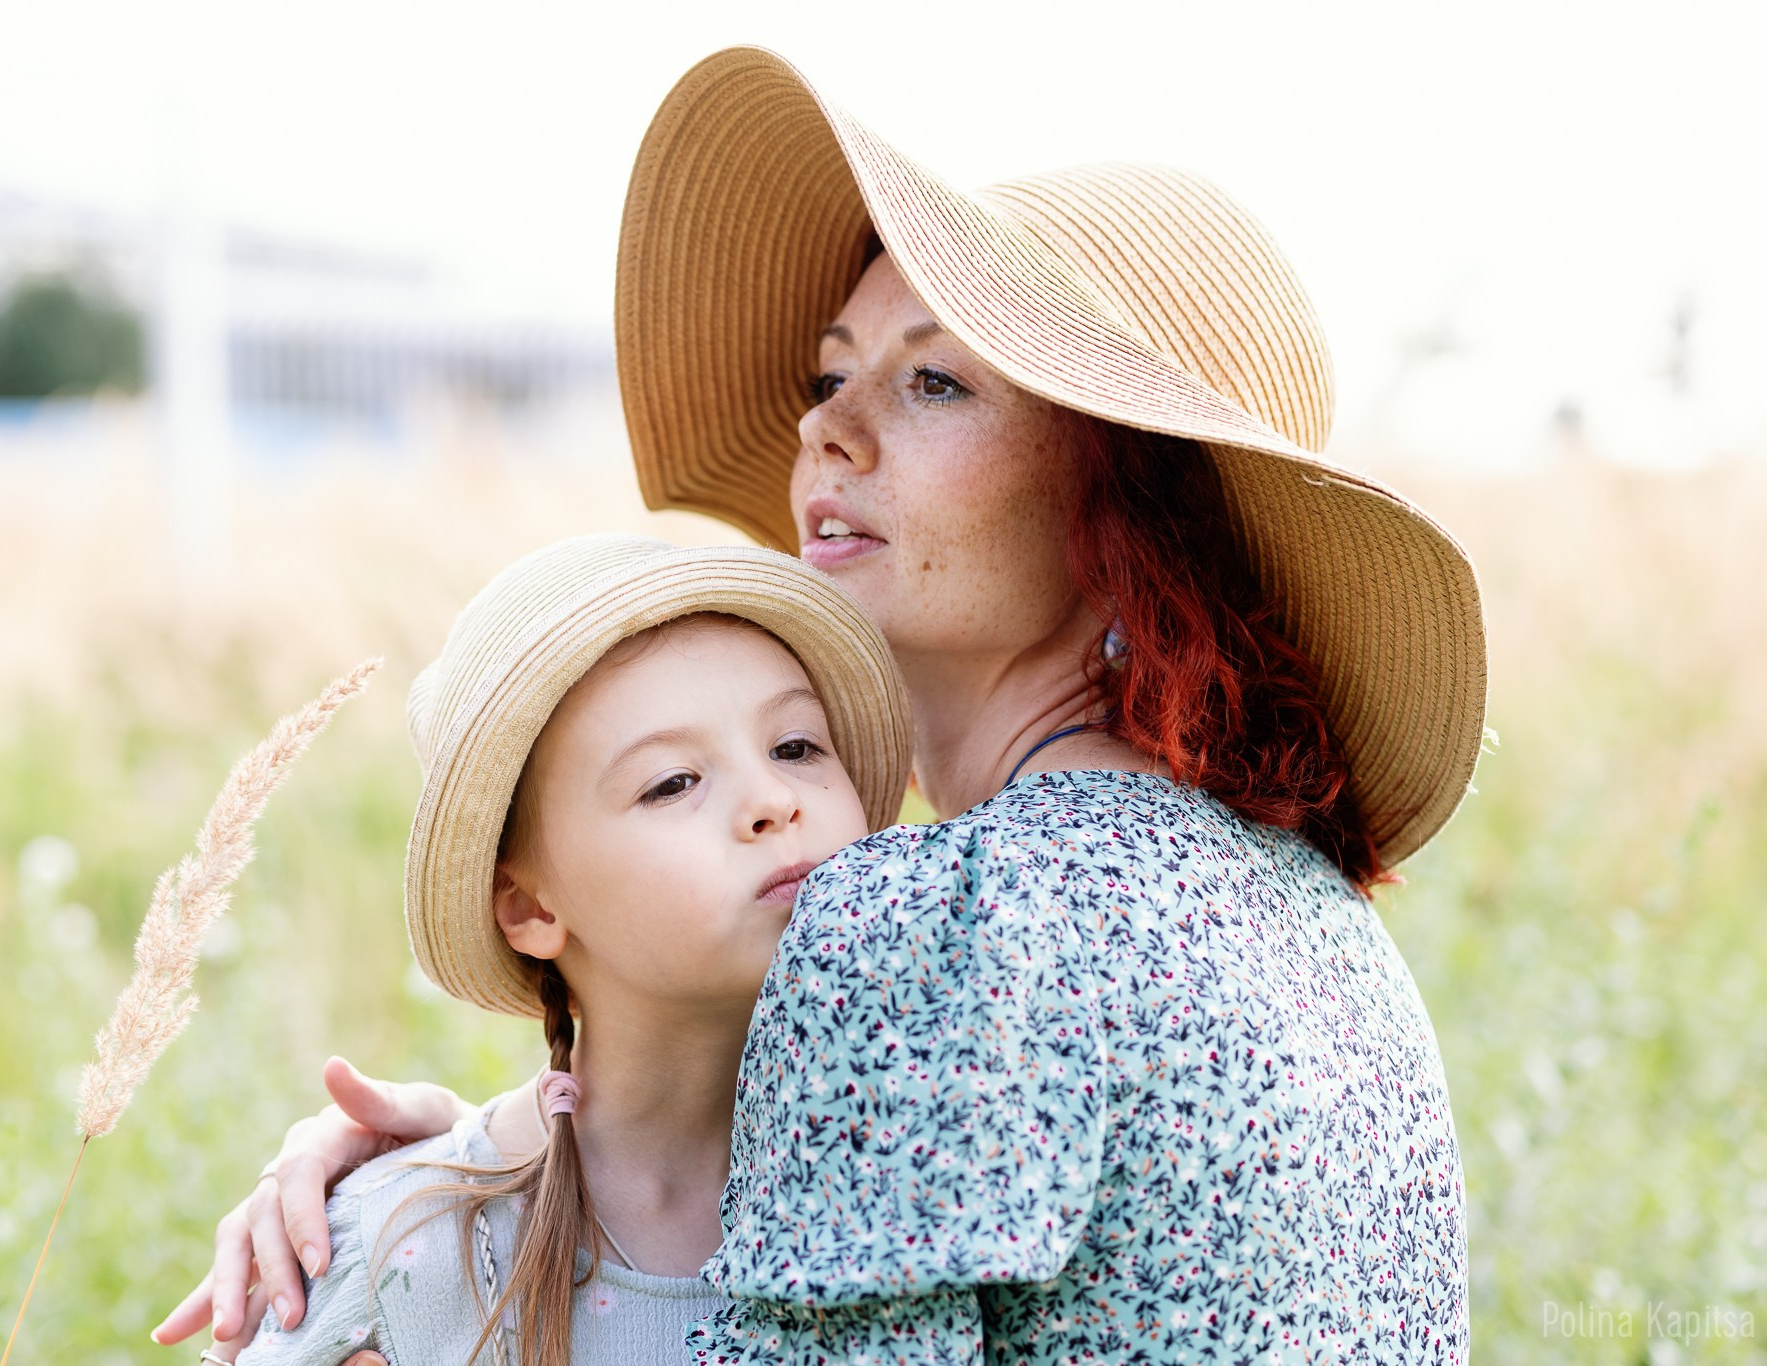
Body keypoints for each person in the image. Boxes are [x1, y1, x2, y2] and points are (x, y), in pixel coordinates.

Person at [158, 46, 1486, 1363]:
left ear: (1128, 502)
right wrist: (471, 1180)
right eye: (826, 377)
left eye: (934, 379)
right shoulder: (1319, 921)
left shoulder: (943, 926)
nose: (824, 430)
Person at [220, 534, 912, 1365]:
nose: (773, 798)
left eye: (795, 747)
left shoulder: (942, 1159)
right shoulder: (401, 1255)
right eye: (672, 783)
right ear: (531, 907)